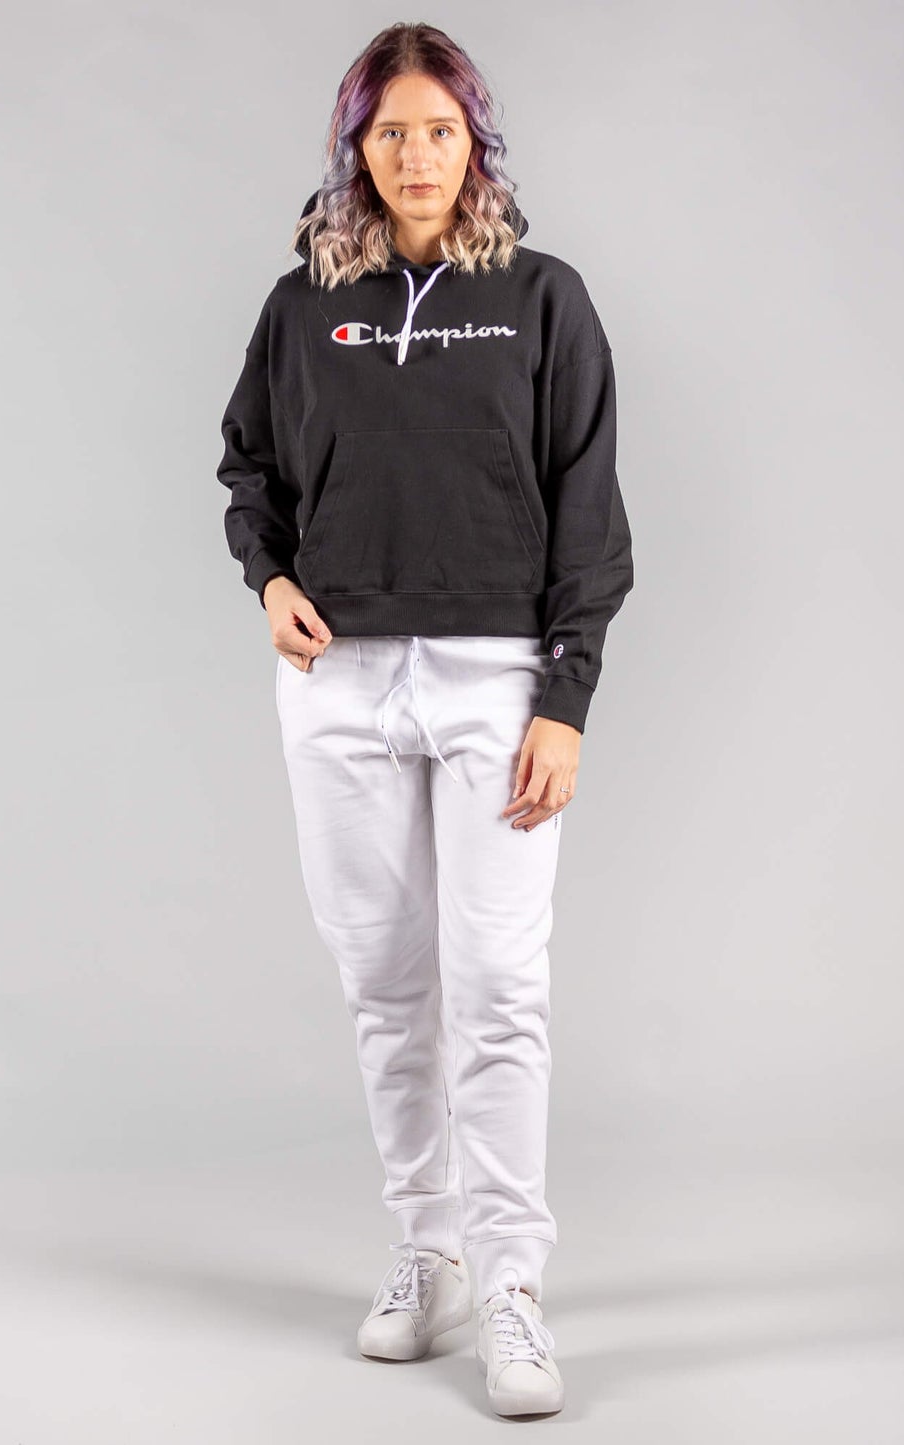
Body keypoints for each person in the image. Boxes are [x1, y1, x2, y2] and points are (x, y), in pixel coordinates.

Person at [216, 22, 633, 1420]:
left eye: (438, 130)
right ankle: (430, 1253)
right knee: (386, 989)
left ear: (474, 142)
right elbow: (248, 468)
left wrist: (564, 696)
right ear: (357, 146)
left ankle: (513, 1282)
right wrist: (270, 578)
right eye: (389, 131)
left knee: (499, 987)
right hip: (336, 682)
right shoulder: (303, 304)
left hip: (494, 675)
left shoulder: (542, 297)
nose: (414, 155)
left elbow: (589, 506)